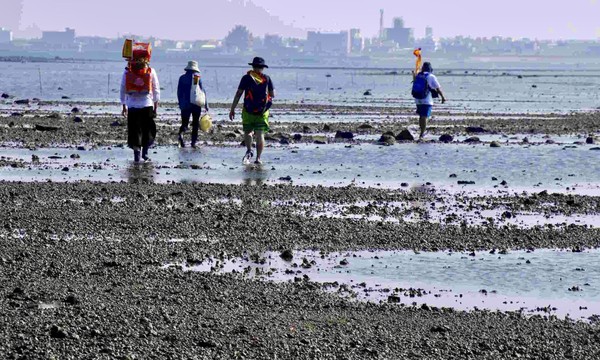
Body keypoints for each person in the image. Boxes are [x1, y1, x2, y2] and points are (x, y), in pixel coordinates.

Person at [229, 57, 274, 165]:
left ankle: (249, 150)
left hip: (248, 110)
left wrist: (232, 108)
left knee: (248, 132)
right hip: (262, 112)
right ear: (263, 68)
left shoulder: (246, 78)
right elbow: (272, 95)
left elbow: (239, 93)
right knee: (260, 134)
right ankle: (258, 158)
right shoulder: (267, 79)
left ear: (253, 66)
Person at [120, 58, 160, 162]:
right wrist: (156, 106)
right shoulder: (151, 71)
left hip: (132, 106)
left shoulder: (127, 72)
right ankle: (145, 154)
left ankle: (136, 157)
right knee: (148, 130)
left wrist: (123, 106)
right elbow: (156, 89)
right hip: (147, 104)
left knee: (134, 131)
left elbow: (123, 89)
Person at [177, 60, 209, 148]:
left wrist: (180, 103)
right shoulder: (196, 77)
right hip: (195, 104)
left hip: (185, 104)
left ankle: (181, 135)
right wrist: (206, 104)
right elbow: (201, 91)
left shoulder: (182, 78)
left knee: (184, 123)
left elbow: (179, 92)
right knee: (195, 124)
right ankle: (193, 143)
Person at [412, 62, 446, 139]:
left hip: (417, 98)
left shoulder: (419, 75)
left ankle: (422, 132)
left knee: (421, 116)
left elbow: (414, 83)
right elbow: (438, 88)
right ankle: (422, 133)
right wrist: (443, 97)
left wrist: (414, 75)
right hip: (426, 99)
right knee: (425, 116)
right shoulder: (431, 76)